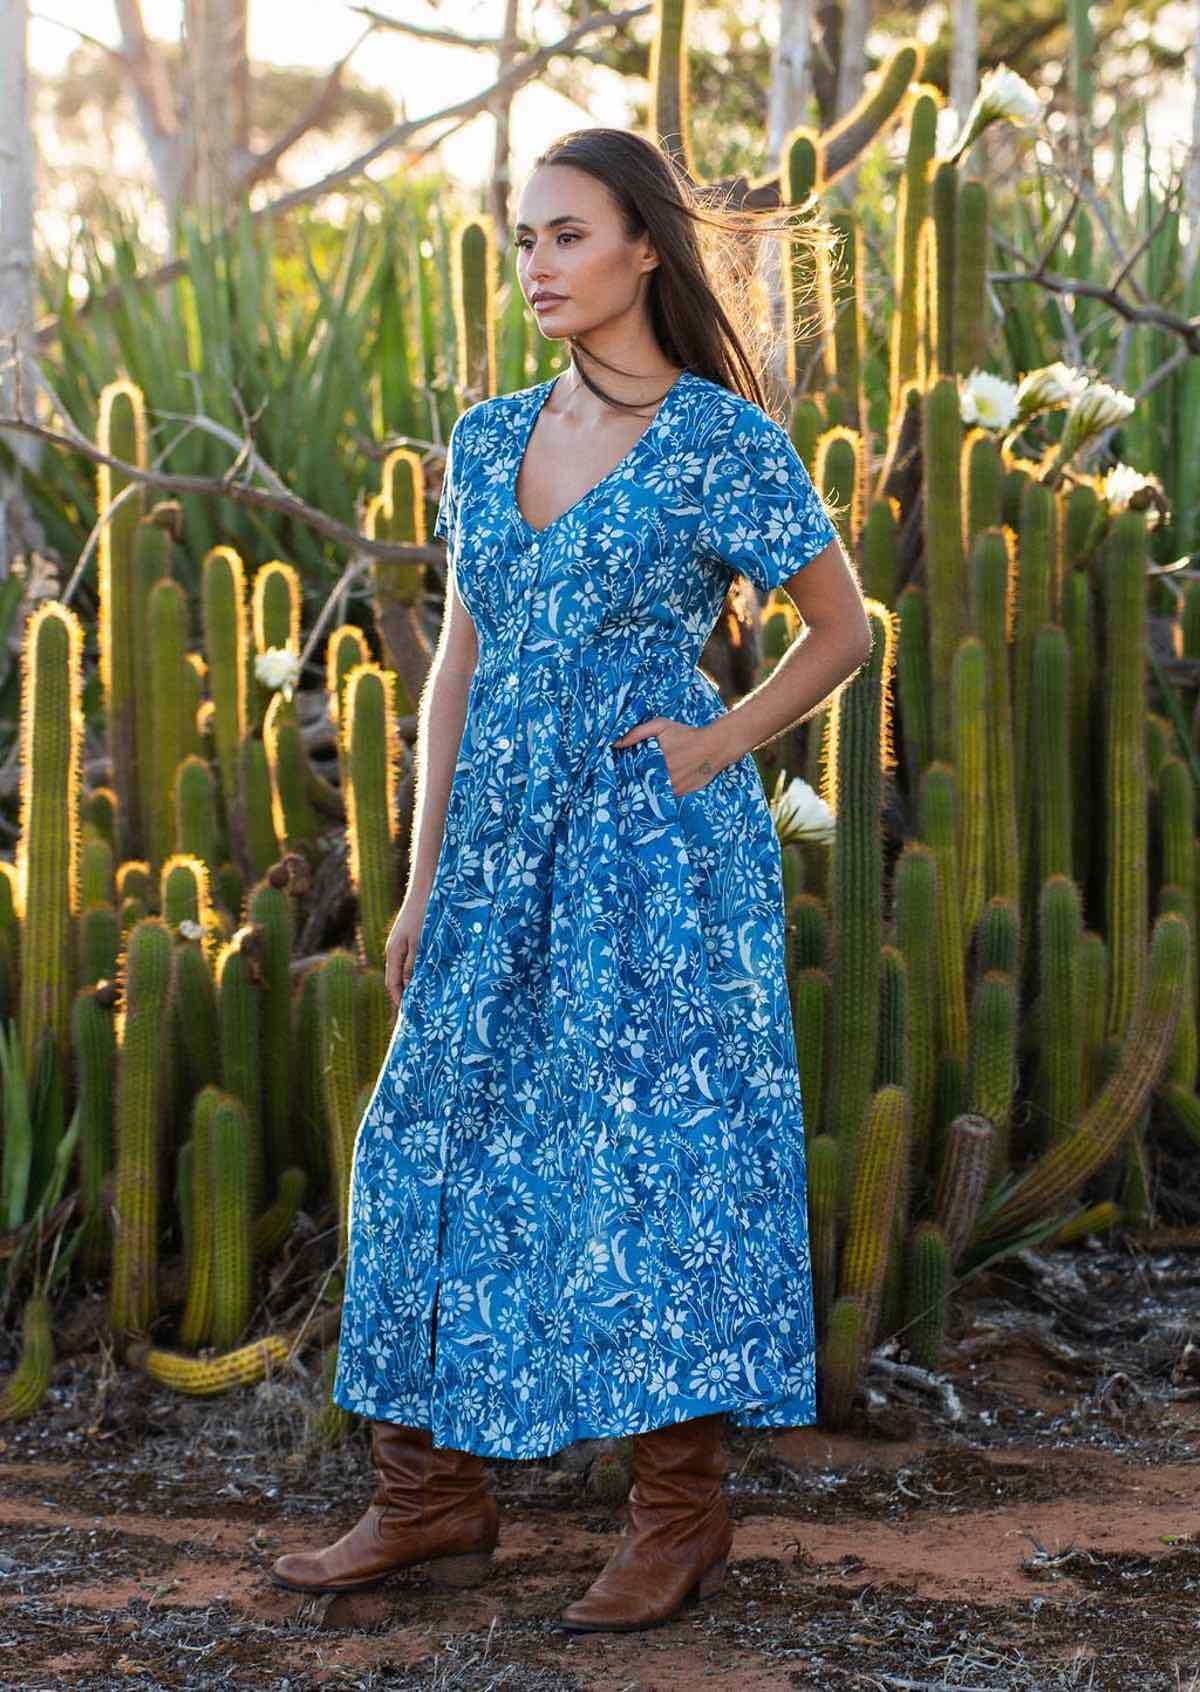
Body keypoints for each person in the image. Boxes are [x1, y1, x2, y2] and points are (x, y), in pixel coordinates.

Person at [272, 125, 872, 1633]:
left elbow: (842, 628)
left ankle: (679, 1515)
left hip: (649, 862)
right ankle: (430, 1498)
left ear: (645, 249)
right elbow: (453, 675)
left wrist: (719, 739)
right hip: (491, 854)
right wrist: (415, 884)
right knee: (422, 1137)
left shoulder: (723, 440)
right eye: (523, 238)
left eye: (566, 234)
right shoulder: (482, 438)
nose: (535, 263)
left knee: (651, 1162)